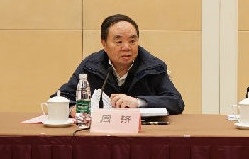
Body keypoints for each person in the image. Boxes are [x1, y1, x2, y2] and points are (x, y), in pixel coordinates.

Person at [52, 14, 185, 115]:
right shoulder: (90, 66)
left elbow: (176, 102)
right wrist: (72, 109)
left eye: (132, 41)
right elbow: (60, 98)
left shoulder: (153, 67)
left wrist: (138, 102)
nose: (127, 47)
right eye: (119, 42)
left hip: (143, 133)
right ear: (104, 43)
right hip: (102, 133)